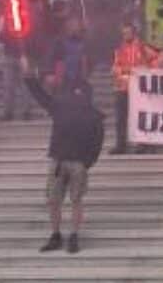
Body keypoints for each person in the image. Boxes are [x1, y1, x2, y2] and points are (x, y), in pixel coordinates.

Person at [23, 57, 105, 254]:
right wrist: (29, 77)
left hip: (74, 162)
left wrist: (87, 162)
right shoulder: (64, 107)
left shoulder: (92, 115)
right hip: (61, 160)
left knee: (74, 200)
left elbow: (97, 142)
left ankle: (72, 235)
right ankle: (57, 234)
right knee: (55, 200)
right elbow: (40, 96)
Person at [111, 24, 163, 154]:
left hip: (140, 89)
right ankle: (121, 145)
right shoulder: (119, 49)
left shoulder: (142, 47)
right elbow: (115, 67)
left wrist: (148, 70)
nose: (126, 36)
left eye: (128, 33)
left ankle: (143, 144)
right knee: (121, 119)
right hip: (123, 88)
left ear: (134, 33)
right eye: (124, 33)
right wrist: (123, 71)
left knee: (141, 117)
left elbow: (162, 57)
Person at [0, 14, 31, 121]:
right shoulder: (5, 19)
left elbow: (30, 37)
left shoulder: (25, 19)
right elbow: (0, 38)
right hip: (9, 55)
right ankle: (8, 112)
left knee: (25, 86)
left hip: (23, 56)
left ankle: (25, 111)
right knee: (8, 86)